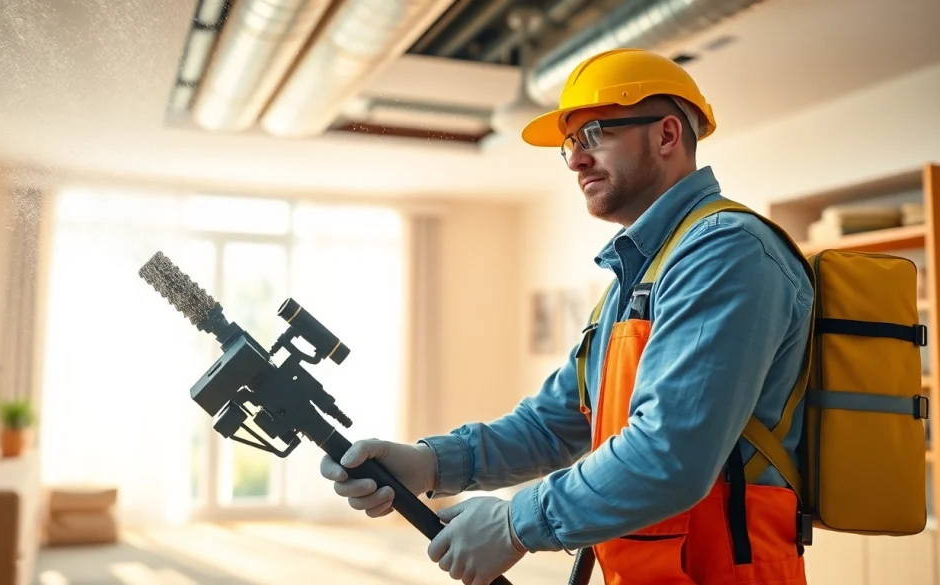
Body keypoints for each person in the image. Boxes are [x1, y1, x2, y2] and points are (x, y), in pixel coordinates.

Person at [320, 47, 813, 585]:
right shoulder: (638, 275)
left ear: (668, 135)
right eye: (570, 144)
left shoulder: (725, 251)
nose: (577, 159)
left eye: (596, 134)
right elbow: (553, 424)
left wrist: (514, 523)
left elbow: (671, 455)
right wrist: (429, 463)